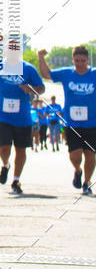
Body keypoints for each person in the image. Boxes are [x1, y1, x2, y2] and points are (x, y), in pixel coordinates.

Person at [0, 39, 44, 194]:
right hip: (2, 115)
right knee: (4, 148)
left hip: (22, 117)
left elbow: (41, 88)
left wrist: (31, 89)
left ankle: (16, 180)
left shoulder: (28, 69)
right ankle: (5, 164)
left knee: (20, 150)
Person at [38, 46, 96, 195]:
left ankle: (87, 182)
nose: (80, 64)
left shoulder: (94, 74)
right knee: (75, 155)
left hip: (92, 123)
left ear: (87, 60)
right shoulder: (66, 73)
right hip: (72, 122)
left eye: (83, 61)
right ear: (73, 60)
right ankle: (77, 170)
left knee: (90, 156)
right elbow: (46, 74)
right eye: (77, 61)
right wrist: (40, 57)